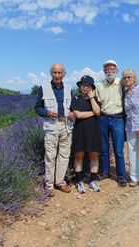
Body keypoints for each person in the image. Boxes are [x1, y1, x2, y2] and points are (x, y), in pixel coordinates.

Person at [35, 63, 75, 197]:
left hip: (66, 125)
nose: (57, 75)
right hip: (51, 126)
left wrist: (73, 113)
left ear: (64, 74)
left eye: (59, 73)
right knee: (50, 155)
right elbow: (37, 108)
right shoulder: (44, 88)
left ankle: (60, 182)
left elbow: (73, 106)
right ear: (51, 73)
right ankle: (49, 184)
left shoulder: (69, 88)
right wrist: (47, 113)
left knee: (64, 155)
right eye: (54, 72)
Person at [95, 60, 127, 187]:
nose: (109, 71)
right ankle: (105, 172)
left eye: (112, 69)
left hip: (118, 119)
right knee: (103, 149)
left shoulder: (122, 83)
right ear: (104, 72)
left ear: (116, 71)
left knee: (118, 150)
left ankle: (121, 175)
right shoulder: (99, 85)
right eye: (107, 70)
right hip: (103, 118)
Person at [71, 75, 102, 194]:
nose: (85, 87)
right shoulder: (75, 98)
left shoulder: (95, 99)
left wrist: (92, 98)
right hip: (80, 131)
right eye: (83, 85)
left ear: (91, 88)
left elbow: (98, 111)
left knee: (94, 156)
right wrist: (93, 113)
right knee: (79, 156)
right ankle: (79, 181)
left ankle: (93, 180)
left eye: (88, 86)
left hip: (94, 131)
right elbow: (78, 115)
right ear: (79, 86)